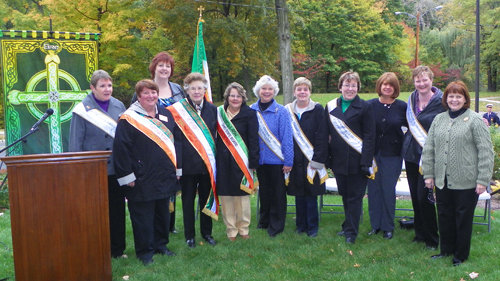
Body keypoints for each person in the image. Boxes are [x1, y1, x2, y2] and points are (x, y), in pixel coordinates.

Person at [422, 81, 494, 266]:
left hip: (468, 181)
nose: (454, 99)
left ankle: (460, 255)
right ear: (445, 98)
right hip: (442, 179)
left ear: (465, 99)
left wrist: (482, 180)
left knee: (463, 218)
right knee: (444, 215)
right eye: (451, 96)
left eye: (458, 96)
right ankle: (446, 250)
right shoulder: (439, 119)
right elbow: (429, 148)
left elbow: (486, 152)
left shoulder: (475, 120)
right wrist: (428, 174)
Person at [113, 79, 182, 266]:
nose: (151, 96)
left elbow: (176, 144)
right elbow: (121, 150)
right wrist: (127, 177)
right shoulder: (129, 119)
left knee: (163, 214)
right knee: (142, 217)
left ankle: (161, 246)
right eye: (146, 93)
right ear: (138, 96)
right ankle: (145, 252)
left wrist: (178, 169)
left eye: (153, 92)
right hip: (141, 177)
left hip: (164, 175)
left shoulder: (166, 114)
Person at [69, 70, 127, 259]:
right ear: (92, 88)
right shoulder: (82, 109)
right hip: (92, 170)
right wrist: (78, 170)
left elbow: (125, 137)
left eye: (109, 85)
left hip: (116, 169)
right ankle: (96, 248)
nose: (107, 89)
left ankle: (117, 250)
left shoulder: (119, 105)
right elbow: (75, 143)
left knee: (117, 210)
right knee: (94, 212)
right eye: (102, 86)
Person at [131, 52, 186, 234]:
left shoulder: (178, 90)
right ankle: (157, 226)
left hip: (173, 144)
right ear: (154, 67)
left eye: (168, 66)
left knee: (170, 184)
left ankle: (168, 225)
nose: (164, 69)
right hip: (150, 146)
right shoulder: (144, 89)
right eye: (161, 65)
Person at [168, 72, 217, 248]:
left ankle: (207, 233)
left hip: (206, 166)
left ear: (205, 89)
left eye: (200, 88)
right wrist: (178, 167)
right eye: (193, 88)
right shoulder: (178, 110)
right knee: (188, 202)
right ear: (187, 90)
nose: (197, 91)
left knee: (206, 200)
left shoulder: (212, 109)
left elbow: (214, 137)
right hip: (187, 167)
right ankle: (190, 236)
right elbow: (177, 141)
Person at [325, 71, 375, 244]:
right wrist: (328, 159)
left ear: (358, 88)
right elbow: (327, 135)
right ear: (340, 87)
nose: (350, 88)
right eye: (346, 85)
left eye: (353, 85)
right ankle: (347, 226)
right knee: (345, 196)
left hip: (357, 161)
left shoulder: (366, 107)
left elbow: (370, 136)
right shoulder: (331, 107)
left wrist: (366, 161)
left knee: (355, 198)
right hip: (338, 161)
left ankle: (351, 233)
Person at [401, 65, 445, 250]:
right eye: (417, 80)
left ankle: (432, 239)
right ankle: (420, 234)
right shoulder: (412, 98)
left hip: (430, 156)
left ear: (431, 80)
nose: (421, 83)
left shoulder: (442, 101)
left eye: (424, 79)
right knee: (415, 197)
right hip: (411, 155)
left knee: (424, 198)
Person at [250, 75, 294, 237]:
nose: (267, 92)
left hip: (277, 160)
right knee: (265, 193)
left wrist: (288, 161)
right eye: (264, 88)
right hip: (260, 161)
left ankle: (276, 225)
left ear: (274, 92)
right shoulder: (251, 110)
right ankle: (264, 221)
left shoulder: (281, 111)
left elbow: (287, 138)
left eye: (270, 89)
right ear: (258, 91)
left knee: (277, 195)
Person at [366, 72, 407, 240]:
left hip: (393, 155)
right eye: (384, 84)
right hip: (372, 155)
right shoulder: (369, 105)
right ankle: (375, 225)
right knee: (373, 190)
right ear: (379, 86)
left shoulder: (403, 107)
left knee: (388, 190)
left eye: (391, 85)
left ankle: (388, 226)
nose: (387, 87)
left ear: (395, 88)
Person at [286, 77, 328, 238]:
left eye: (305, 89)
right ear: (294, 92)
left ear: (310, 91)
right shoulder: (288, 110)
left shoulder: (318, 109)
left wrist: (317, 160)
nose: (302, 92)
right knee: (298, 194)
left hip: (312, 159)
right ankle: (300, 225)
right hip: (295, 159)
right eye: (299, 89)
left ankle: (312, 227)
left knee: (311, 194)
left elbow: (322, 136)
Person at [216, 82, 259, 241]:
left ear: (243, 97)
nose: (235, 99)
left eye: (238, 96)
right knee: (226, 197)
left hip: (242, 161)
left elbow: (254, 139)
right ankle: (231, 230)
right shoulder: (219, 112)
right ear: (227, 97)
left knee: (242, 197)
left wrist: (254, 162)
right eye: (232, 95)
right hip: (223, 161)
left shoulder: (250, 113)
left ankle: (243, 228)